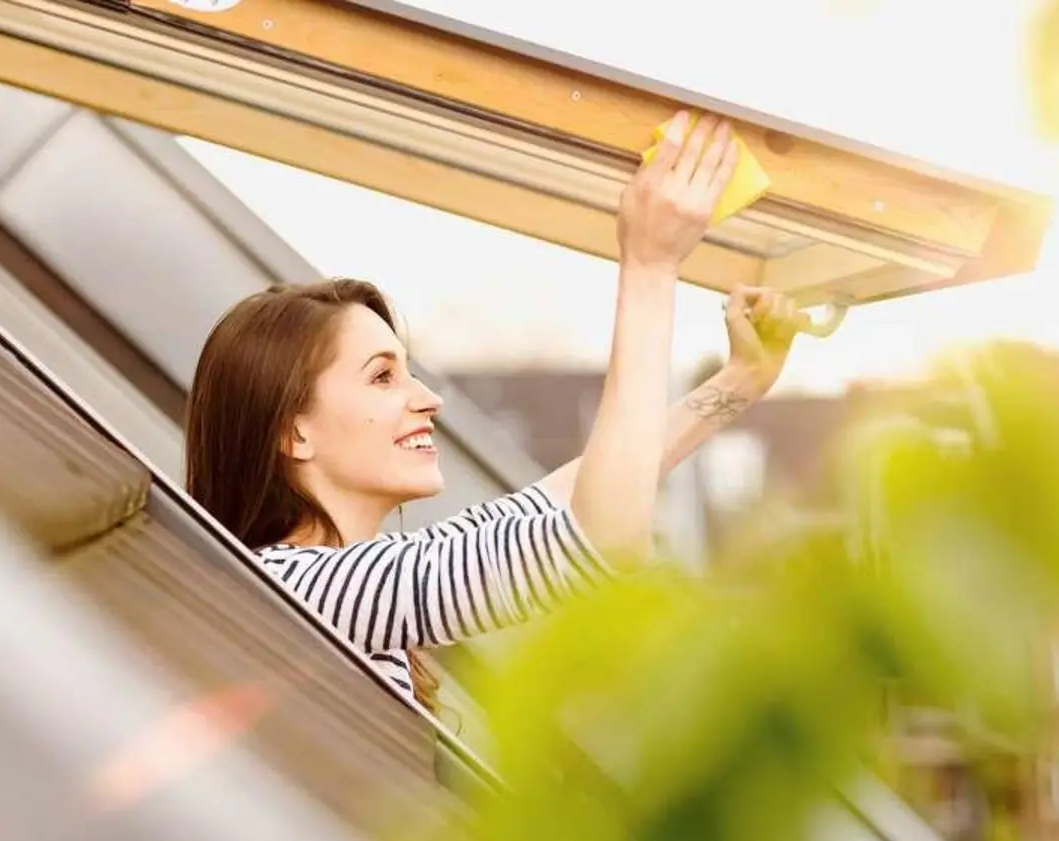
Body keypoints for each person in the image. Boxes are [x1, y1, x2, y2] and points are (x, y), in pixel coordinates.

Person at [184, 112, 806, 710]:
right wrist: (649, 264)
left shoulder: (336, 583)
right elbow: (599, 537)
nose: (428, 399)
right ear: (294, 432)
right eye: (382, 377)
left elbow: (560, 502)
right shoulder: (302, 589)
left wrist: (739, 382)